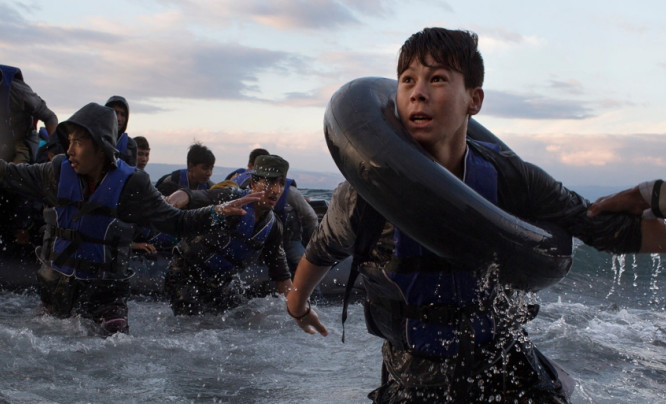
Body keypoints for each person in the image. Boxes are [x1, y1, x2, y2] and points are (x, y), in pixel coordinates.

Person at [286, 27, 666, 403]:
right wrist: (298, 305)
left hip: (505, 367)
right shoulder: (365, 192)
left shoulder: (511, 178)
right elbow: (322, 251)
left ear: (474, 99)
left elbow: (594, 225)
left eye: (437, 79)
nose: (418, 92)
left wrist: (655, 198)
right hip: (414, 378)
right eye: (407, 80)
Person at [0, 102, 262, 335]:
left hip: (105, 299)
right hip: (57, 295)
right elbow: (9, 174)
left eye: (78, 142)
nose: (69, 150)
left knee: (114, 346)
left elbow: (177, 223)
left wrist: (217, 212)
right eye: (69, 142)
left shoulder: (132, 184)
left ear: (101, 145)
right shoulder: (57, 172)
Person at [163, 154, 293, 315]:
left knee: (242, 318)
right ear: (253, 183)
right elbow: (194, 196)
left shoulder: (273, 227)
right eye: (269, 182)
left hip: (220, 283)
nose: (276, 190)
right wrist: (173, 200)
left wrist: (298, 310)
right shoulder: (230, 198)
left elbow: (281, 274)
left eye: (281, 183)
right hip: (185, 274)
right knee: (191, 325)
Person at [0, 64, 58, 163]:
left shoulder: (17, 91)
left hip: (21, 144)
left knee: (13, 173)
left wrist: (56, 149)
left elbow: (49, 117)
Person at [105, 96, 137, 166]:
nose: (119, 118)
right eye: (115, 113)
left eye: (123, 115)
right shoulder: (96, 139)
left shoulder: (130, 145)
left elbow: (131, 172)